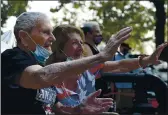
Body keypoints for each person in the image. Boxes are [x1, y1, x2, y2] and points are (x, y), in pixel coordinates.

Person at [1, 12, 132, 114]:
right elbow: (40, 76)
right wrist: (101, 56)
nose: (52, 38)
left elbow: (58, 109)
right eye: (46, 32)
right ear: (24, 37)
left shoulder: (40, 65)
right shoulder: (11, 58)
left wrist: (79, 109)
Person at [46, 24, 168, 114]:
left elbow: (120, 65)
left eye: (81, 42)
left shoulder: (87, 68)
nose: (80, 47)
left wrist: (147, 60)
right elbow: (56, 110)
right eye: (74, 43)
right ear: (60, 48)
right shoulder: (47, 75)